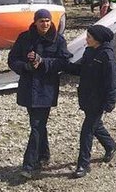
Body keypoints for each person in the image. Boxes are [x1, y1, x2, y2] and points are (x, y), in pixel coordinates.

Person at [8, 10, 71, 177]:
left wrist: (43, 62)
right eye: (42, 21)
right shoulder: (24, 38)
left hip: (46, 88)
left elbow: (64, 62)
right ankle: (44, 155)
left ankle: (28, 165)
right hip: (28, 87)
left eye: (48, 21)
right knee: (37, 124)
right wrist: (26, 66)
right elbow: (12, 60)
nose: (45, 24)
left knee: (36, 125)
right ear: (35, 22)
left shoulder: (58, 40)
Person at [61, 24, 116, 179]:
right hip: (86, 97)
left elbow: (112, 81)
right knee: (95, 125)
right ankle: (111, 145)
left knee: (87, 131)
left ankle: (83, 165)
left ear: (98, 39)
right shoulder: (89, 51)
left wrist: (110, 102)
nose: (86, 40)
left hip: (98, 100)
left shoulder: (107, 56)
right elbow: (80, 70)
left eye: (89, 37)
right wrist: (64, 65)